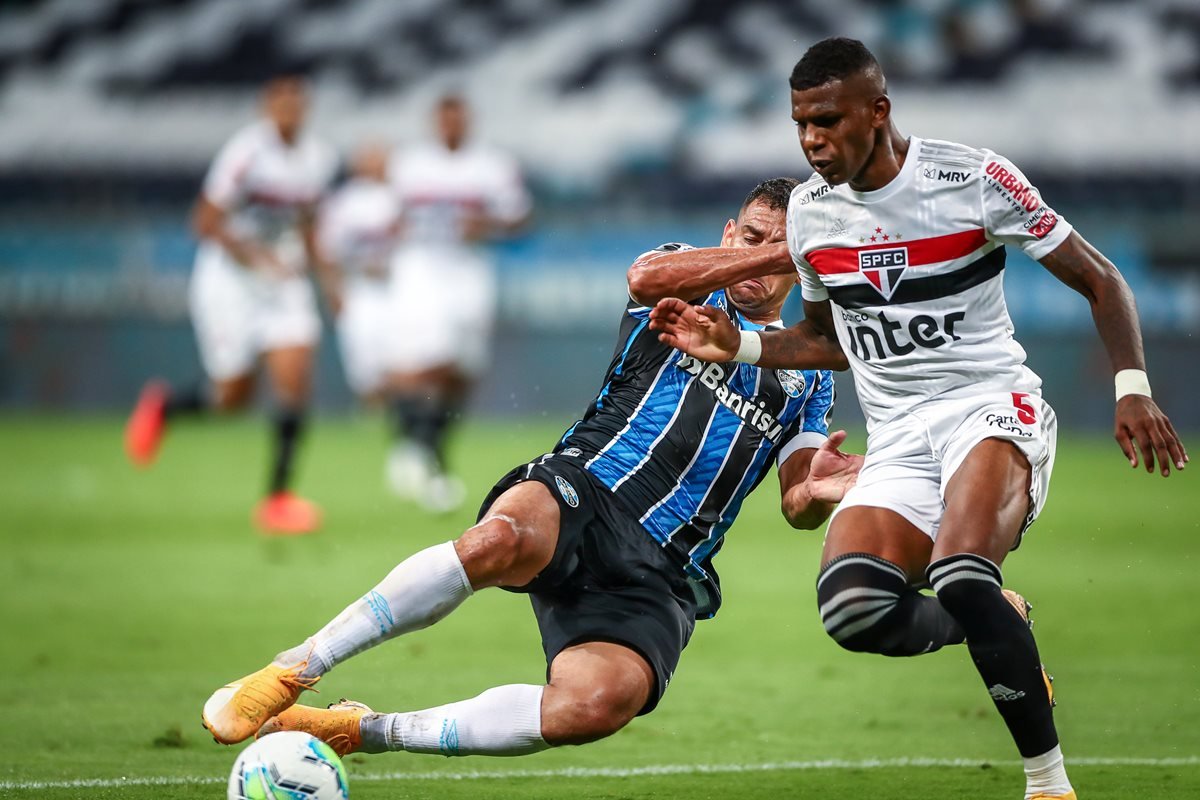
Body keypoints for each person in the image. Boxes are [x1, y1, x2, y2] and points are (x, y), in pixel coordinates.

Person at [648, 37, 1188, 800]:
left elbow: (1101, 279)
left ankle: (1048, 784)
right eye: (801, 123)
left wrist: (1132, 387)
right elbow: (826, 342)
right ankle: (1003, 623)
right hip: (898, 435)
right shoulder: (809, 213)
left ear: (879, 111)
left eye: (828, 121)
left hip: (991, 410)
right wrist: (735, 344)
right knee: (853, 610)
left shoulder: (973, 180)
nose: (812, 141)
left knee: (960, 573)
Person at [200, 178, 858, 761]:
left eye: (781, 250)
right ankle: (295, 668)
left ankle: (360, 731)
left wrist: (822, 490)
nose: (759, 261)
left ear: (803, 273)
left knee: (593, 707)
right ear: (727, 234)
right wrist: (785, 247)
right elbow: (642, 279)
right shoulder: (686, 280)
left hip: (663, 568)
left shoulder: (805, 374)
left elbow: (796, 502)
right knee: (499, 539)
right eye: (750, 237)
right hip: (587, 488)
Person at [124, 75, 339, 536]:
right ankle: (165, 406)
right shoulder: (246, 154)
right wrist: (256, 257)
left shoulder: (318, 158)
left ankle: (278, 499)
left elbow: (309, 224)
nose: (290, 112)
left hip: (284, 281)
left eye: (297, 104)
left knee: (295, 377)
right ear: (267, 108)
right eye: (281, 104)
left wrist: (330, 281)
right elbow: (204, 220)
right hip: (231, 282)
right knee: (231, 398)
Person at [383, 93, 532, 512]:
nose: (451, 126)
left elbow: (520, 218)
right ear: (435, 122)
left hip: (469, 271)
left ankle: (424, 444)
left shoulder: (491, 165)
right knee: (429, 360)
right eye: (444, 119)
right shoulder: (409, 164)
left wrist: (486, 223)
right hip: (421, 270)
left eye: (458, 119)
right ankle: (419, 450)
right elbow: (390, 217)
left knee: (462, 373)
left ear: (468, 121)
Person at [318, 142, 401, 405]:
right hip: (360, 291)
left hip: (398, 291)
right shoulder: (343, 202)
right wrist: (333, 291)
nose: (374, 164)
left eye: (380, 158)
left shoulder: (401, 196)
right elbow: (327, 252)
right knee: (366, 373)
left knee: (402, 367)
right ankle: (373, 422)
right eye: (368, 158)